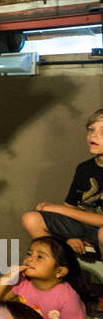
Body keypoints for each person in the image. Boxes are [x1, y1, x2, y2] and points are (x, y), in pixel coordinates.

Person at [22, 109, 103, 261]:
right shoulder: (84, 168)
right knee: (30, 218)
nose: (93, 135)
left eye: (102, 131)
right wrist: (67, 238)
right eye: (91, 130)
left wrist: (55, 208)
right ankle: (61, 266)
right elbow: (70, 208)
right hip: (85, 228)